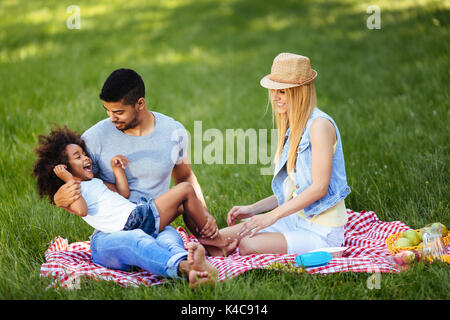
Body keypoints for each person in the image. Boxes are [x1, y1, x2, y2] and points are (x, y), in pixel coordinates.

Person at [48, 69, 229, 285]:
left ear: (140, 103)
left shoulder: (173, 132)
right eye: (107, 110)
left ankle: (196, 270)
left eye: (118, 112)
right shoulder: (93, 139)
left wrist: (204, 213)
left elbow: (185, 176)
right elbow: (78, 183)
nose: (111, 118)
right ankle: (185, 267)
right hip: (112, 235)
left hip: (155, 223)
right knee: (135, 240)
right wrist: (58, 199)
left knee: (171, 240)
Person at [33, 126, 227, 287]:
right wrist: (68, 179)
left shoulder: (96, 182)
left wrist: (117, 170)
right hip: (132, 222)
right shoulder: (74, 190)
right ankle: (210, 247)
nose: (86, 158)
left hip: (135, 217)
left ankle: (192, 267)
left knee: (168, 234)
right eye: (78, 157)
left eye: (84, 154)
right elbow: (82, 210)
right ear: (65, 167)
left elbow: (122, 193)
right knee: (184, 191)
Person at [200, 53, 351, 256]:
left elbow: (319, 188)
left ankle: (331, 251)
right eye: (273, 91)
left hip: (322, 231)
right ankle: (199, 267)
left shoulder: (320, 126)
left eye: (282, 92)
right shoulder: (293, 126)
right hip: (294, 219)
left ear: (300, 92)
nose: (274, 97)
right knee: (216, 240)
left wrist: (270, 217)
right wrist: (253, 209)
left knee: (247, 245)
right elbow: (293, 190)